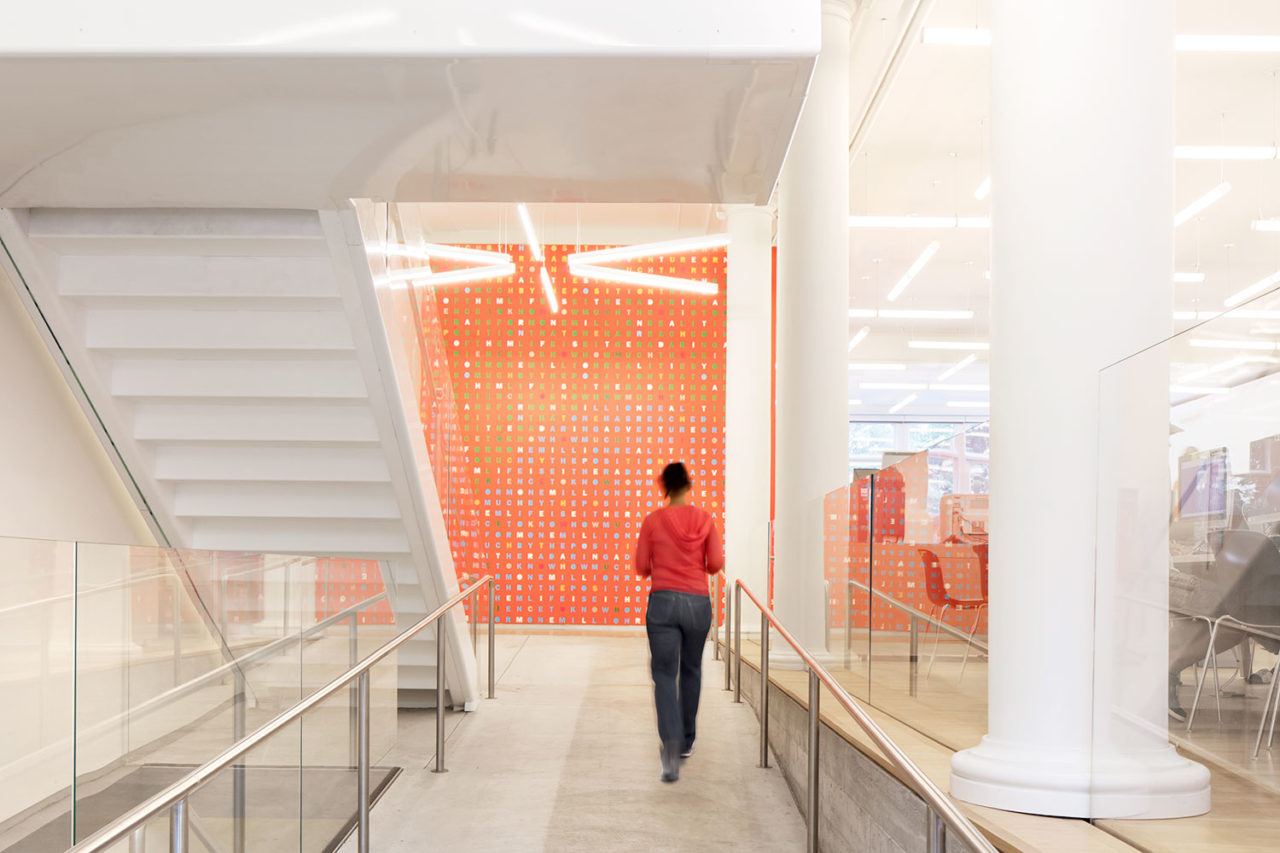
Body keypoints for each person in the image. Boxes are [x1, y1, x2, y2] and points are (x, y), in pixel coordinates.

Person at [635, 462, 725, 783]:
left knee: (663, 674)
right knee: (691, 670)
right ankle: (687, 741)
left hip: (662, 603)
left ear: (664, 486)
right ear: (690, 485)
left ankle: (670, 747)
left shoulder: (653, 521)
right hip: (698, 604)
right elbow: (715, 564)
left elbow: (641, 565)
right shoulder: (705, 520)